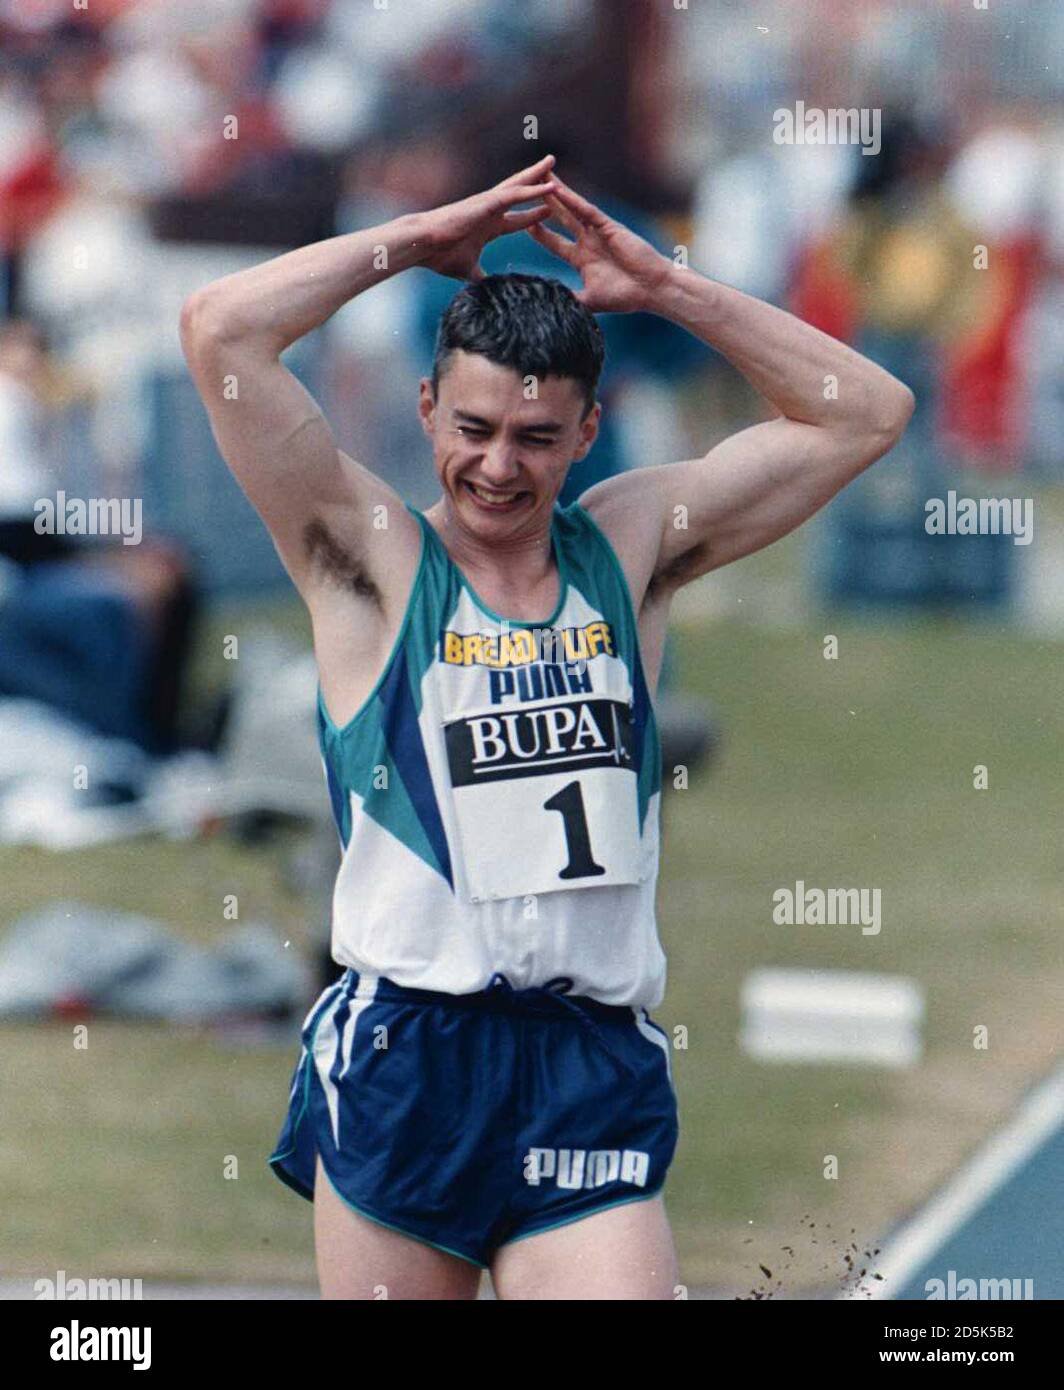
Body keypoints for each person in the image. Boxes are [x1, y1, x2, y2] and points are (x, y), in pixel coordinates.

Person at [180, 154, 913, 1300]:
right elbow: (220, 329)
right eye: (470, 427)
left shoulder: (631, 543)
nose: (494, 464)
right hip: (405, 1056)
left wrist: (669, 287)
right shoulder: (369, 560)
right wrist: (415, 237)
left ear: (584, 434)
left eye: (533, 437)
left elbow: (864, 412)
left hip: (584, 1057)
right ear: (425, 408)